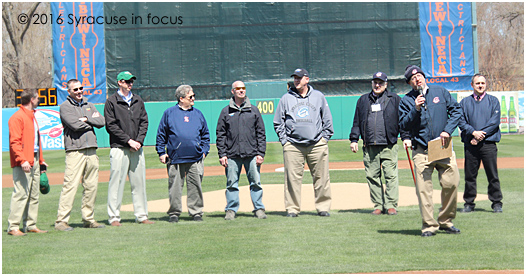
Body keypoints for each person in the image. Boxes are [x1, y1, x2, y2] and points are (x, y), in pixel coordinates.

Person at [399, 65, 462, 237]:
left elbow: (456, 111)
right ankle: (429, 225)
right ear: (410, 83)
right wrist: (415, 108)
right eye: (413, 78)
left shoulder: (440, 91)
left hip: (442, 146)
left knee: (452, 183)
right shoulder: (406, 100)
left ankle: (446, 220)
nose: (417, 79)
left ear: (424, 77)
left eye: (419, 75)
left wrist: (448, 130)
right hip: (421, 149)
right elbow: (403, 125)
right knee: (423, 190)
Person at [273, 68, 334, 217]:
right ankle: (292, 209)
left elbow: (327, 120)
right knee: (292, 179)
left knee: (321, 178)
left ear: (307, 79)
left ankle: (323, 207)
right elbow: (277, 122)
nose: (296, 80)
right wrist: (285, 141)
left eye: (299, 78)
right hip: (293, 145)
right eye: (295, 78)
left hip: (316, 144)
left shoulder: (318, 96)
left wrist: (324, 138)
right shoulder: (286, 98)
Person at [349, 72, 410, 215]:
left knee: (391, 176)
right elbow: (357, 121)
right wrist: (354, 139)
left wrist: (406, 137)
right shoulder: (363, 100)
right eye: (375, 82)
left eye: (380, 83)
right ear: (372, 83)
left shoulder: (394, 99)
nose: (377, 85)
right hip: (370, 145)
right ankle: (378, 205)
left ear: (386, 84)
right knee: (372, 176)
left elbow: (402, 121)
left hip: (389, 144)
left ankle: (390, 205)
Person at [55, 79, 106, 231]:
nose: (79, 92)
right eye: (75, 89)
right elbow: (75, 125)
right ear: (69, 91)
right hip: (75, 151)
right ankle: (61, 221)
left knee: (91, 186)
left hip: (91, 149)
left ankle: (88, 219)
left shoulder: (88, 105)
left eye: (80, 88)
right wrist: (91, 122)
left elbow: (102, 121)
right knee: (70, 186)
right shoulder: (65, 107)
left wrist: (87, 119)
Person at [104, 71, 154, 226]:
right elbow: (111, 125)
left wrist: (138, 141)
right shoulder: (112, 101)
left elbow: (144, 122)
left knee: (139, 183)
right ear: (119, 82)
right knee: (116, 184)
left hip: (137, 148)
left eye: (131, 81)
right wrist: (128, 141)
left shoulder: (138, 100)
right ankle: (114, 217)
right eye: (126, 81)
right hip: (119, 147)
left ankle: (141, 215)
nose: (129, 84)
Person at [156, 85, 210, 222]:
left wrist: (204, 151)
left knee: (195, 186)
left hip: (195, 157)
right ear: (181, 98)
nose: (193, 99)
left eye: (193, 96)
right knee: (175, 188)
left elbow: (205, 135)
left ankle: (196, 212)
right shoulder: (169, 113)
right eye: (190, 96)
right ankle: (174, 213)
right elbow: (161, 134)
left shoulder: (198, 114)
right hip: (175, 158)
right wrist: (161, 152)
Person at [216, 81, 267, 220]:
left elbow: (261, 133)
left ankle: (259, 208)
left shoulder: (253, 110)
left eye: (243, 88)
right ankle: (231, 210)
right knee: (232, 184)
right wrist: (222, 154)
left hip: (252, 154)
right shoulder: (226, 111)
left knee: (256, 183)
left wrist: (260, 153)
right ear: (232, 91)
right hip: (232, 155)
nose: (241, 91)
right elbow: (221, 134)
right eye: (238, 89)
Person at [458, 74, 503, 213]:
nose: (480, 85)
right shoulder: (465, 103)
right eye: (477, 83)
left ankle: (496, 203)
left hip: (488, 144)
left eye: (483, 83)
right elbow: (461, 121)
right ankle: (469, 203)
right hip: (470, 145)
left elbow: (494, 122)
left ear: (486, 84)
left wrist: (478, 136)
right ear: (472, 85)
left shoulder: (493, 101)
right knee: (470, 176)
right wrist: (473, 132)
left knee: (492, 174)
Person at [7, 89, 49, 236]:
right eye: (37, 98)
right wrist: (22, 159)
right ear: (32, 99)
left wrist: (41, 161)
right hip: (23, 161)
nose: (38, 100)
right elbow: (14, 142)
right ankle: (13, 226)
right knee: (21, 192)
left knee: (34, 193)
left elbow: (36, 142)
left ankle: (30, 224)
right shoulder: (17, 117)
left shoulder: (32, 116)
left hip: (35, 158)